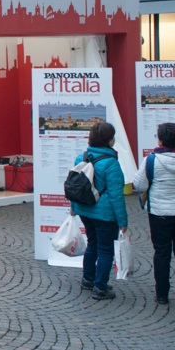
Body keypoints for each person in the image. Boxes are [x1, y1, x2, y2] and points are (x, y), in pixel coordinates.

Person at [133, 121, 175, 307]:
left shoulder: (152, 160)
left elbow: (139, 185)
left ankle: (161, 294)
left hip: (160, 213)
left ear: (161, 141)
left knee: (161, 252)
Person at [72, 122, 128, 300]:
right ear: (109, 141)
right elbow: (116, 196)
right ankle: (100, 287)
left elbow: (74, 185)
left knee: (92, 244)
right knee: (105, 250)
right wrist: (123, 221)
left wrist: (74, 208)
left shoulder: (81, 157)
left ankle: (88, 279)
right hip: (104, 214)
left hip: (84, 210)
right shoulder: (111, 163)